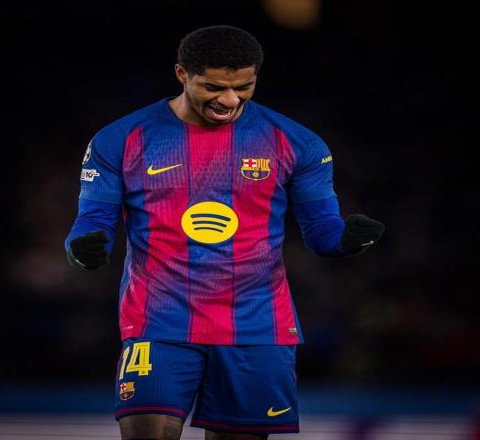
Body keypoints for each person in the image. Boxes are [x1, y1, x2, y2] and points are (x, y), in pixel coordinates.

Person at [65, 25, 384, 440]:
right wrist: (84, 248)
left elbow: (321, 229)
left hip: (257, 326)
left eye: (243, 87)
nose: (230, 100)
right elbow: (93, 219)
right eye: (214, 87)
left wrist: (344, 240)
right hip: (159, 323)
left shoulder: (297, 143)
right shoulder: (120, 139)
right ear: (182, 74)